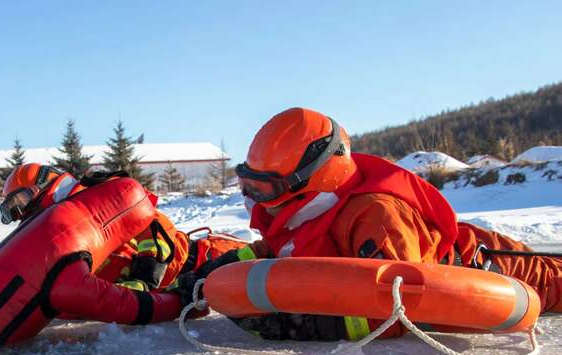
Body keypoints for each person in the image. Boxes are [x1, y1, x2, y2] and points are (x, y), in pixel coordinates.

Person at [172, 107, 562, 341]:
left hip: (509, 272)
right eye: (249, 184)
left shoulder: (376, 215)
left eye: (264, 188)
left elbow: (403, 304)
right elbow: (282, 250)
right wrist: (217, 266)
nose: (253, 199)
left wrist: (312, 326)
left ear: (314, 179)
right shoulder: (306, 210)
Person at [0, 163, 249, 322]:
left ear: (44, 187)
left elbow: (151, 224)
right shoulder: (59, 240)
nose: (21, 213)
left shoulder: (95, 199)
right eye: (13, 210)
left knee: (262, 270)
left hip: (204, 260)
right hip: (173, 290)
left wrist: (146, 275)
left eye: (20, 202)